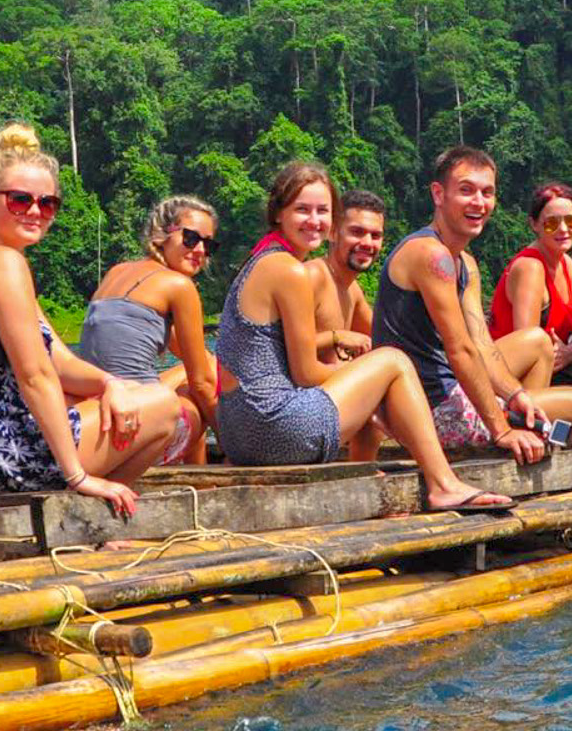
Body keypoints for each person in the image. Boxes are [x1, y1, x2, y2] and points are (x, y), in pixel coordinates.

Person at [212, 161, 514, 511]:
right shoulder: (290, 270)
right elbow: (306, 374)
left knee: (382, 369)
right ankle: (444, 484)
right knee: (395, 361)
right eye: (302, 210)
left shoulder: (264, 259)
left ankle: (372, 467)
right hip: (272, 429)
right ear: (278, 213)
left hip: (239, 433)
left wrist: (368, 383)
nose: (314, 220)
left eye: (323, 211)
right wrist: (373, 386)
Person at [0, 123, 177, 515]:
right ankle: (97, 515)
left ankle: (95, 513)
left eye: (48, 203)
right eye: (20, 200)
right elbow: (36, 376)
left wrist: (110, 385)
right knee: (163, 405)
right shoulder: (3, 264)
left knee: (125, 398)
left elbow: (59, 361)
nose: (36, 212)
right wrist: (78, 476)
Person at [373, 147, 572, 458]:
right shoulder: (431, 255)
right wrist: (501, 428)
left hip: (452, 389)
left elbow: (482, 345)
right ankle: (516, 442)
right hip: (426, 408)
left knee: (537, 388)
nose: (479, 202)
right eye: (466, 191)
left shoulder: (465, 262)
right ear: (438, 194)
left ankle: (526, 437)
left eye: (487, 192)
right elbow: (460, 349)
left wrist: (516, 395)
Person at [77, 195, 222, 466]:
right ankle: (204, 487)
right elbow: (202, 384)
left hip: (99, 411)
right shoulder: (179, 286)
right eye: (190, 238)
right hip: (135, 425)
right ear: (161, 236)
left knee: (204, 367)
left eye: (208, 244)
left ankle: (201, 483)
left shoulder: (116, 271)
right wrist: (232, 444)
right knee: (197, 396)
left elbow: (187, 354)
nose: (200, 250)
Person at [489, 181, 572, 391]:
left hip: (556, 365)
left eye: (571, 221)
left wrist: (568, 352)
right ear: (534, 224)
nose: (563, 229)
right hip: (515, 380)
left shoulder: (567, 264)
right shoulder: (530, 269)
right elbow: (528, 347)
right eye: (551, 223)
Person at [322, 189, 389, 460]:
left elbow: (386, 342)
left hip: (332, 404)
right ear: (333, 232)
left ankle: (364, 470)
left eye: (375, 235)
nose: (367, 242)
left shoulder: (353, 292)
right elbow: (284, 350)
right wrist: (336, 336)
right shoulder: (312, 278)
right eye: (357, 232)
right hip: (302, 408)